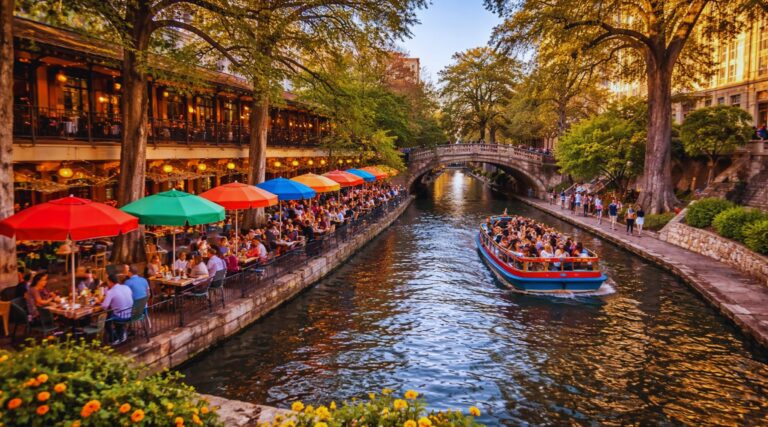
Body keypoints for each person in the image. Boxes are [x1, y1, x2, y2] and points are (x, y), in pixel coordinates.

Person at [101, 273, 133, 345]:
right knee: (112, 312)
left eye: (107, 282)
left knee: (107, 319)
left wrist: (99, 302)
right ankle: (122, 333)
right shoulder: (126, 287)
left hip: (121, 317)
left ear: (110, 282)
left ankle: (113, 338)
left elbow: (104, 306)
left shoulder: (111, 292)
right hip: (130, 314)